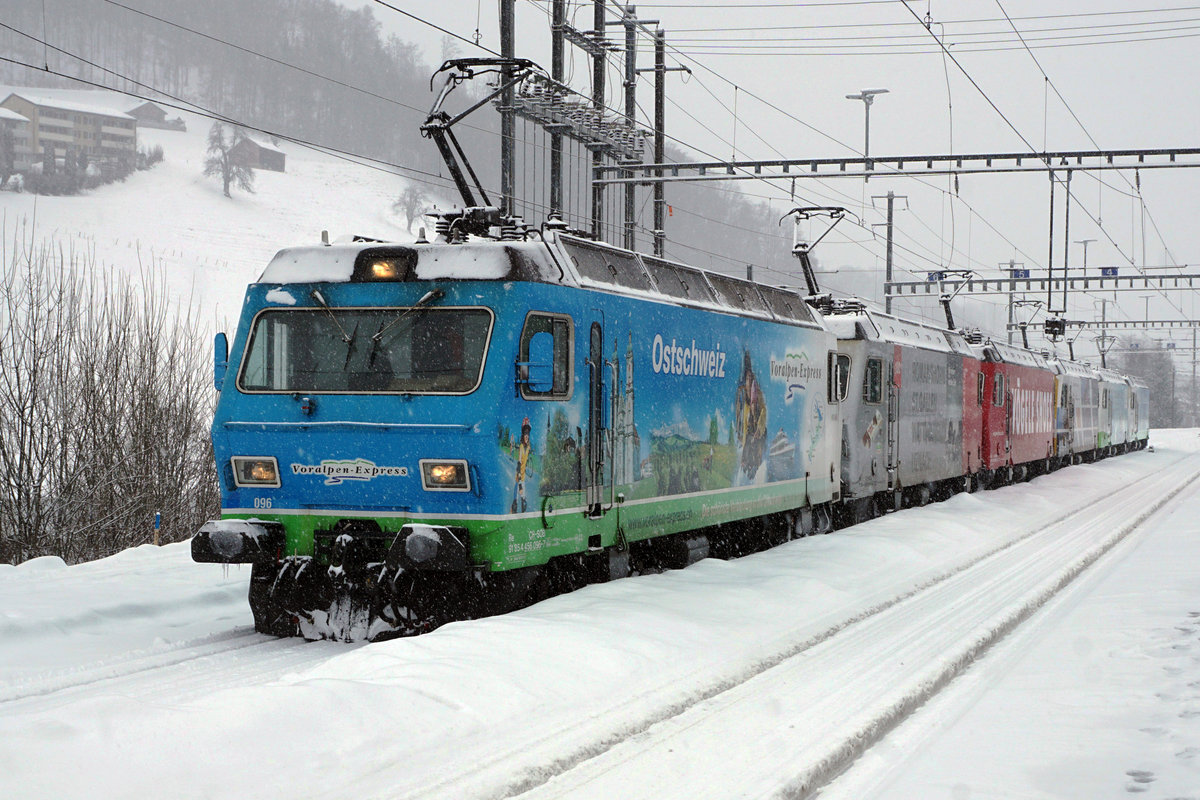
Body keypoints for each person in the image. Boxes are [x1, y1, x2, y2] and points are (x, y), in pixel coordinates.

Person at [512, 417, 532, 513]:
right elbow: (519, 462)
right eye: (525, 434)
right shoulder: (521, 447)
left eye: (528, 434)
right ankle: (516, 509)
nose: (526, 436)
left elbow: (527, 454)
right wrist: (519, 480)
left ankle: (519, 507)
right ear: (522, 435)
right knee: (519, 495)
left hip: (523, 475)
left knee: (520, 497)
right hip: (520, 475)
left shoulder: (528, 447)